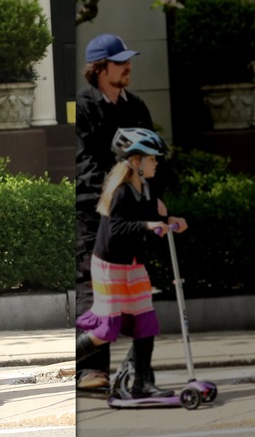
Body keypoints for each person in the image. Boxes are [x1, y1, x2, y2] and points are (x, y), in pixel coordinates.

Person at [75, 33, 165, 390]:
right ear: (99, 68)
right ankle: (90, 369)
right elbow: (83, 163)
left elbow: (155, 158)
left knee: (140, 289)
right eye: (120, 61)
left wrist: (152, 198)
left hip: (132, 213)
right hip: (93, 212)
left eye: (129, 60)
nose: (128, 66)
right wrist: (120, 193)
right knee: (92, 288)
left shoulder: (137, 107)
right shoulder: (83, 108)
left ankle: (139, 372)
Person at [75, 127, 186, 399]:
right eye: (152, 159)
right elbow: (116, 229)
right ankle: (74, 358)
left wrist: (170, 221)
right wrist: (148, 225)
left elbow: (150, 215)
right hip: (110, 267)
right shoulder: (121, 191)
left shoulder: (146, 189)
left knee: (145, 322)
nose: (156, 163)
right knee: (107, 328)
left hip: (133, 265)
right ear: (136, 162)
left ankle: (142, 384)